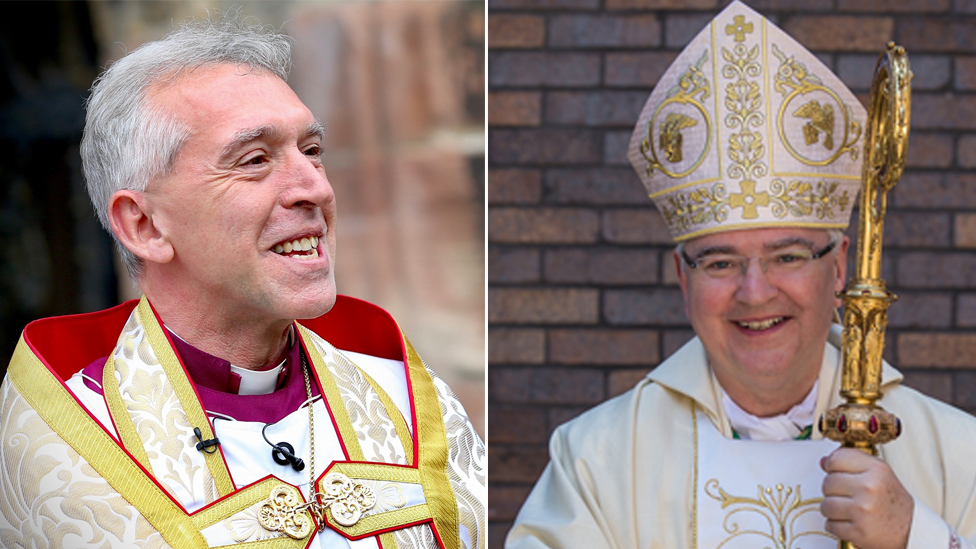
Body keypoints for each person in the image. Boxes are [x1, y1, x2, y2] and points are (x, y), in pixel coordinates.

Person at [0, 14, 485, 549]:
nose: (314, 189)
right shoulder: (67, 437)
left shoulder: (402, 393)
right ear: (145, 225)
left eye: (313, 151)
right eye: (254, 160)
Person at [505, 2, 976, 549]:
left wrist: (914, 537)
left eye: (788, 256)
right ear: (684, 281)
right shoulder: (596, 462)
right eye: (721, 262)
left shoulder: (955, 455)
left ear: (841, 266)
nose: (755, 292)